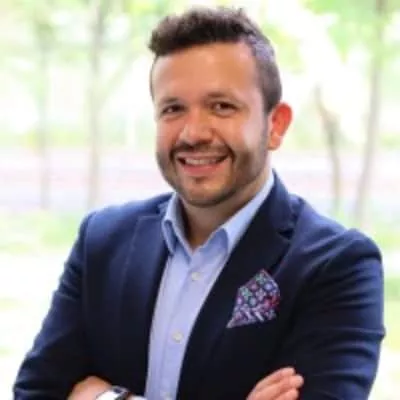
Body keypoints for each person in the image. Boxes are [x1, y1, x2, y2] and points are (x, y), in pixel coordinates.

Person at [13, 6, 384, 400]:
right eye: (173, 109)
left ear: (275, 125)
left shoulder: (337, 266)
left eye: (221, 106)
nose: (193, 133)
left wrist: (108, 398)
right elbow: (36, 392)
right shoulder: (103, 241)